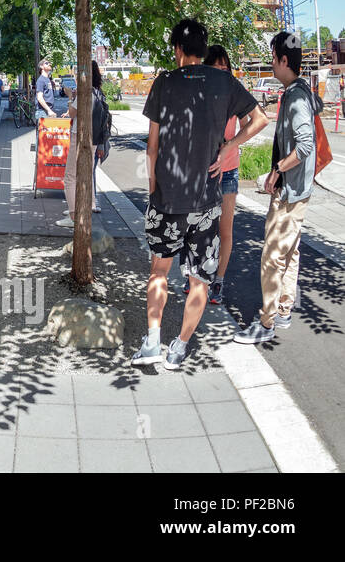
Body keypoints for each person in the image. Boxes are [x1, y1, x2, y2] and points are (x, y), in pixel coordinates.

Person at [131, 19, 267, 370]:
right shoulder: (224, 81)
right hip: (207, 202)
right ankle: (180, 347)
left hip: (168, 199)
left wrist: (152, 187)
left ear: (177, 49)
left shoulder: (164, 82)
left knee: (158, 273)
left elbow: (152, 145)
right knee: (199, 280)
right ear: (204, 50)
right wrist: (229, 148)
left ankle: (152, 341)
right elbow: (260, 119)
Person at [234, 31, 321, 344]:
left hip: (289, 193)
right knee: (290, 252)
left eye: (273, 57)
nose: (270, 62)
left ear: (285, 61)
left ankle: (266, 322)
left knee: (272, 257)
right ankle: (283, 310)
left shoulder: (297, 97)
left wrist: (277, 171)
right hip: (301, 190)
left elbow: (306, 144)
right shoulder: (302, 91)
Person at [194, 45, 254, 305]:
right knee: (199, 227)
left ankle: (218, 281)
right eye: (216, 67)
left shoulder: (234, 93)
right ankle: (196, 277)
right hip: (202, 172)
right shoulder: (200, 94)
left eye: (225, 67)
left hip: (228, 170)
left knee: (224, 229)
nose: (221, 71)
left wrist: (231, 143)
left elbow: (254, 121)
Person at [57, 61, 110, 228]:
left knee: (70, 177)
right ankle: (85, 208)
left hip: (79, 136)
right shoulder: (97, 92)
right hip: (94, 139)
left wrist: (70, 96)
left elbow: (72, 113)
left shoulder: (83, 92)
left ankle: (73, 215)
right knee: (85, 174)